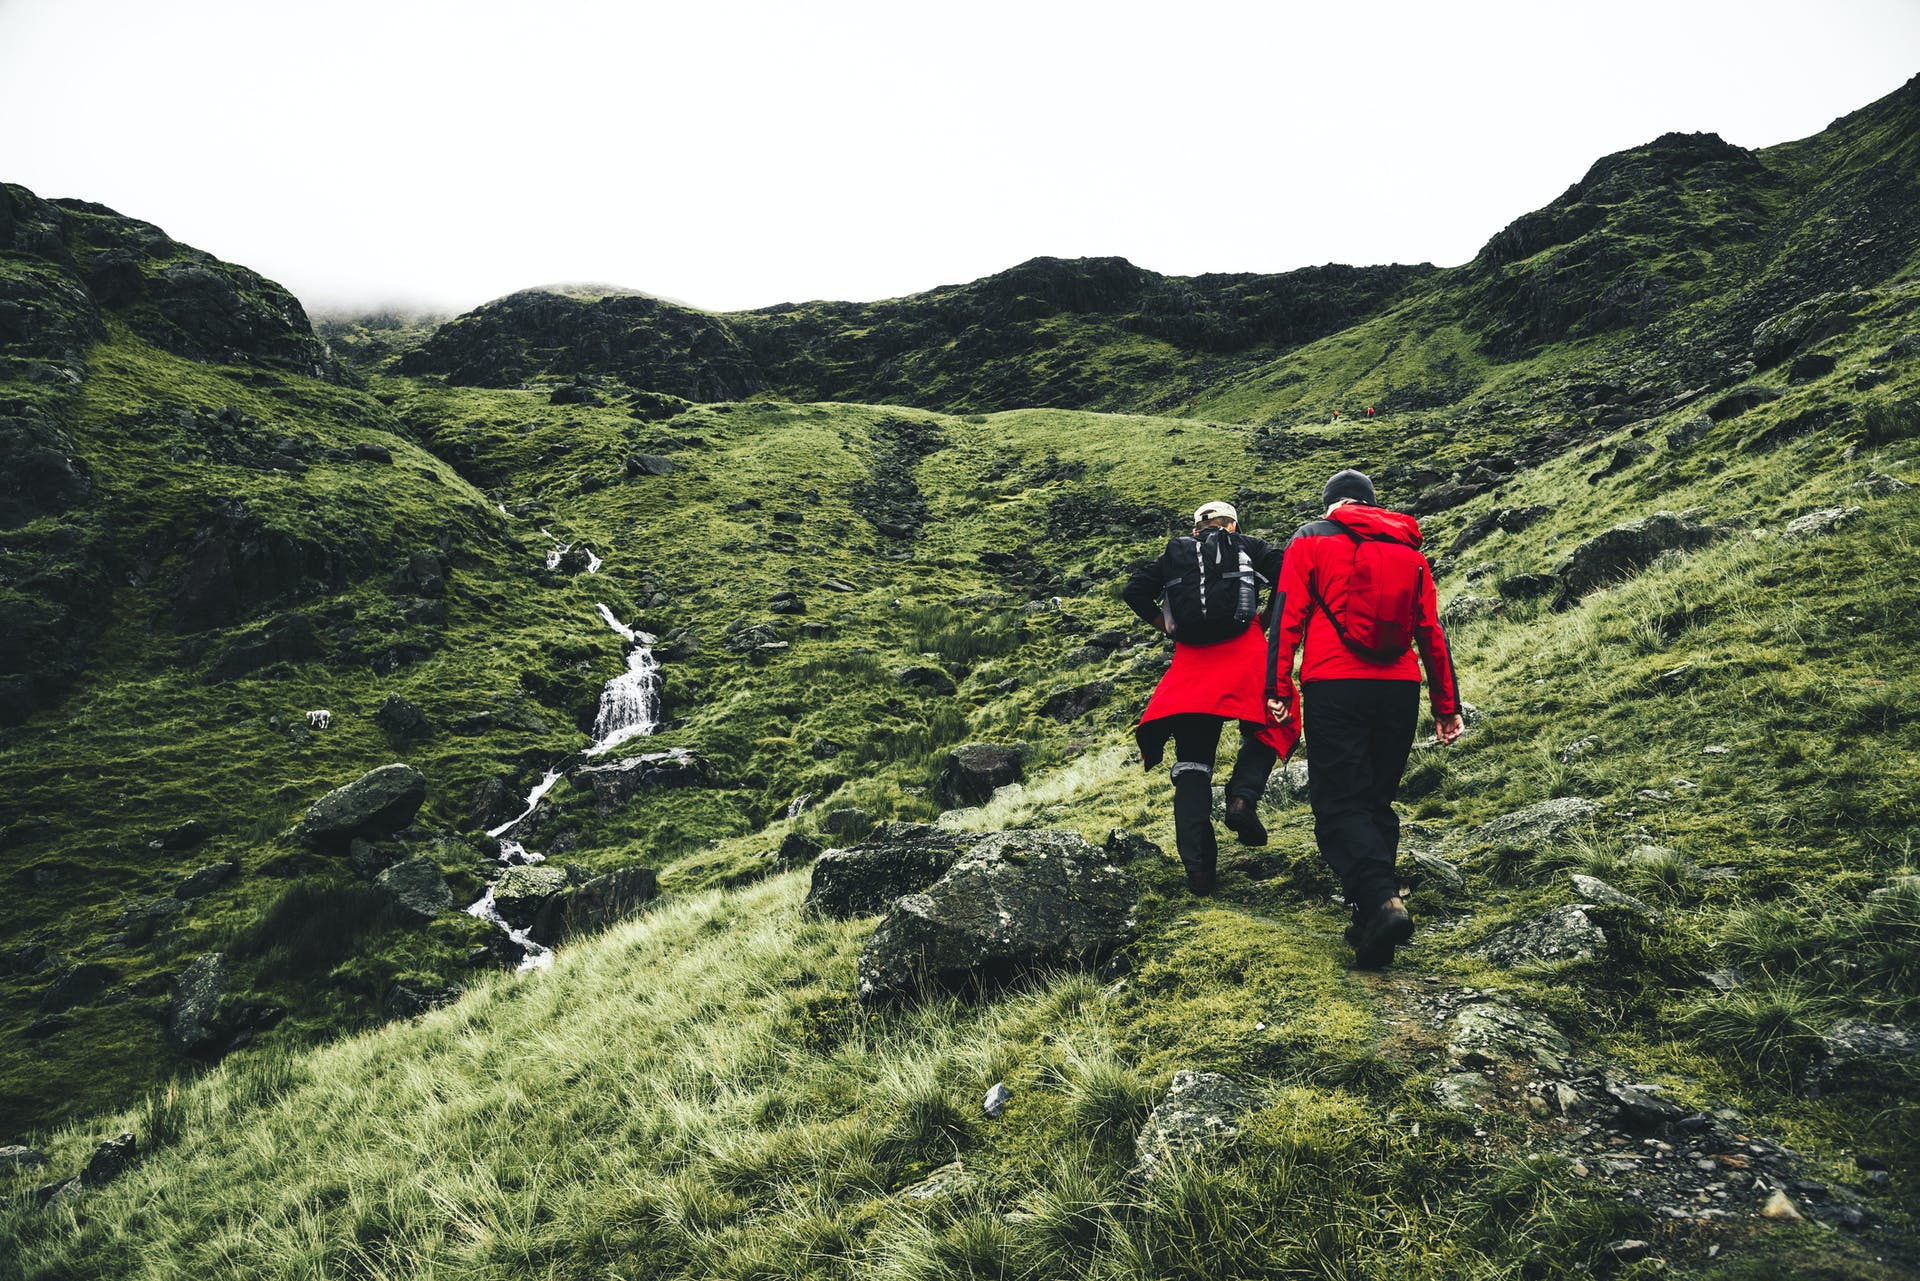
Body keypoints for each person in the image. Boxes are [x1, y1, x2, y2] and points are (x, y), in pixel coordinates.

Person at [1265, 469, 1463, 967]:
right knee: (1376, 800)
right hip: (1399, 689)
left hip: (1334, 684)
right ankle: (1368, 919)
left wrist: (1276, 687)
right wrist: (1447, 706)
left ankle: (1382, 901)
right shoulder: (1410, 551)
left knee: (1338, 803)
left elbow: (1285, 614)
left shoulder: (1309, 540)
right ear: (1372, 503)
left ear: (1330, 504)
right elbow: (1430, 632)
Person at [1124, 500, 1298, 894]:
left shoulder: (1175, 554)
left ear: (1196, 527)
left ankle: (1199, 872)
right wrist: (1269, 615)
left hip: (1192, 667)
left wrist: (1163, 625)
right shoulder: (1249, 546)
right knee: (1266, 727)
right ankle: (1241, 799)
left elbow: (1133, 589)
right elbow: (1290, 572)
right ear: (1233, 524)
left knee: (1192, 767)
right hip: (1247, 656)